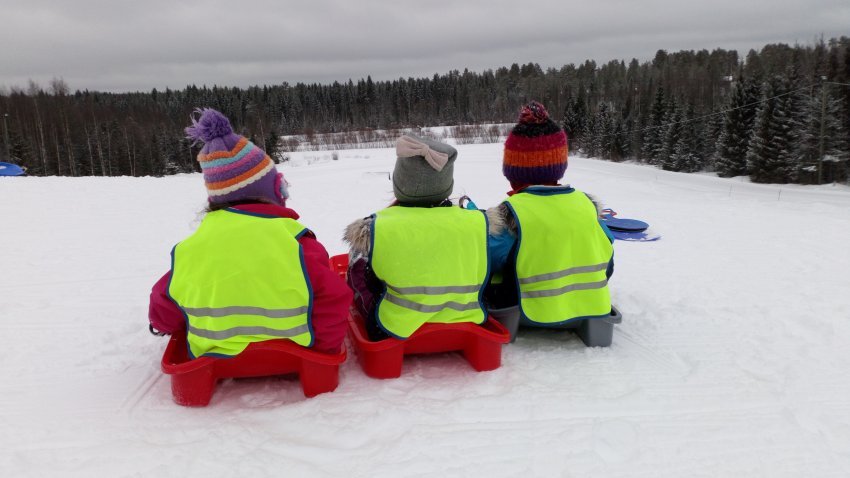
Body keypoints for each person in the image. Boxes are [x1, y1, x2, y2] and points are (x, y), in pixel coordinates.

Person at [148, 108, 352, 358]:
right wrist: (325, 349)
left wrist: (167, 324)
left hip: (213, 359)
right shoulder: (296, 242)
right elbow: (332, 300)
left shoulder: (190, 250)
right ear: (275, 191)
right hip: (295, 354)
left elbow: (163, 303)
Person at [343, 134, 490, 341]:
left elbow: (362, 282)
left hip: (391, 328)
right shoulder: (477, 222)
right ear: (447, 184)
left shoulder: (376, 227)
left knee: (359, 269)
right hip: (467, 319)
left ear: (399, 183)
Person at [485, 101, 615, 327]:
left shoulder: (511, 212)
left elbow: (491, 260)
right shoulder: (585, 205)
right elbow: (607, 256)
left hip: (528, 309)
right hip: (590, 308)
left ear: (512, 173)